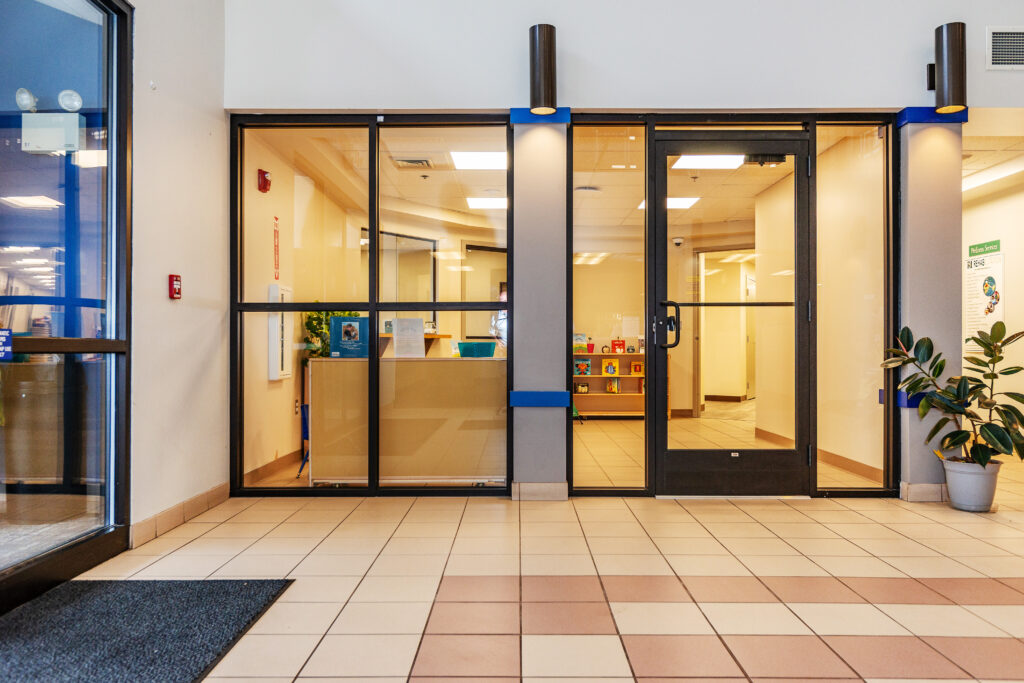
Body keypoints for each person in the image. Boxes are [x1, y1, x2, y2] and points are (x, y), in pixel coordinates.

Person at [489, 284, 508, 348]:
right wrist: (498, 342)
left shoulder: (516, 313)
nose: (503, 303)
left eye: (505, 301)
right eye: (501, 301)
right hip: (504, 348)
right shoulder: (496, 315)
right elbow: (492, 331)